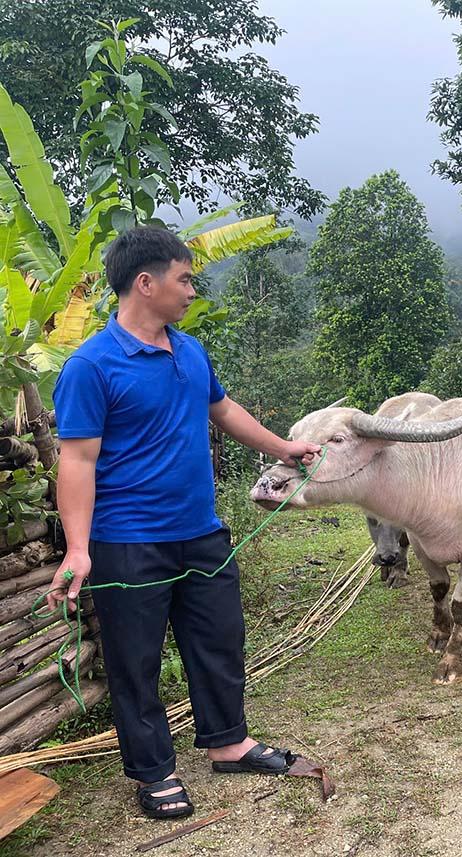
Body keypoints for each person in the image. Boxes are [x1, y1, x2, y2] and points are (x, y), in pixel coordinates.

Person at [45, 226, 322, 819]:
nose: (193, 289)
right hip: (127, 542)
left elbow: (222, 409)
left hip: (201, 532)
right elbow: (77, 462)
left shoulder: (190, 351)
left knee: (219, 639)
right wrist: (78, 548)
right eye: (185, 279)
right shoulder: (91, 366)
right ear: (146, 283)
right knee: (136, 661)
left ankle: (229, 743)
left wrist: (284, 447)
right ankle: (154, 771)